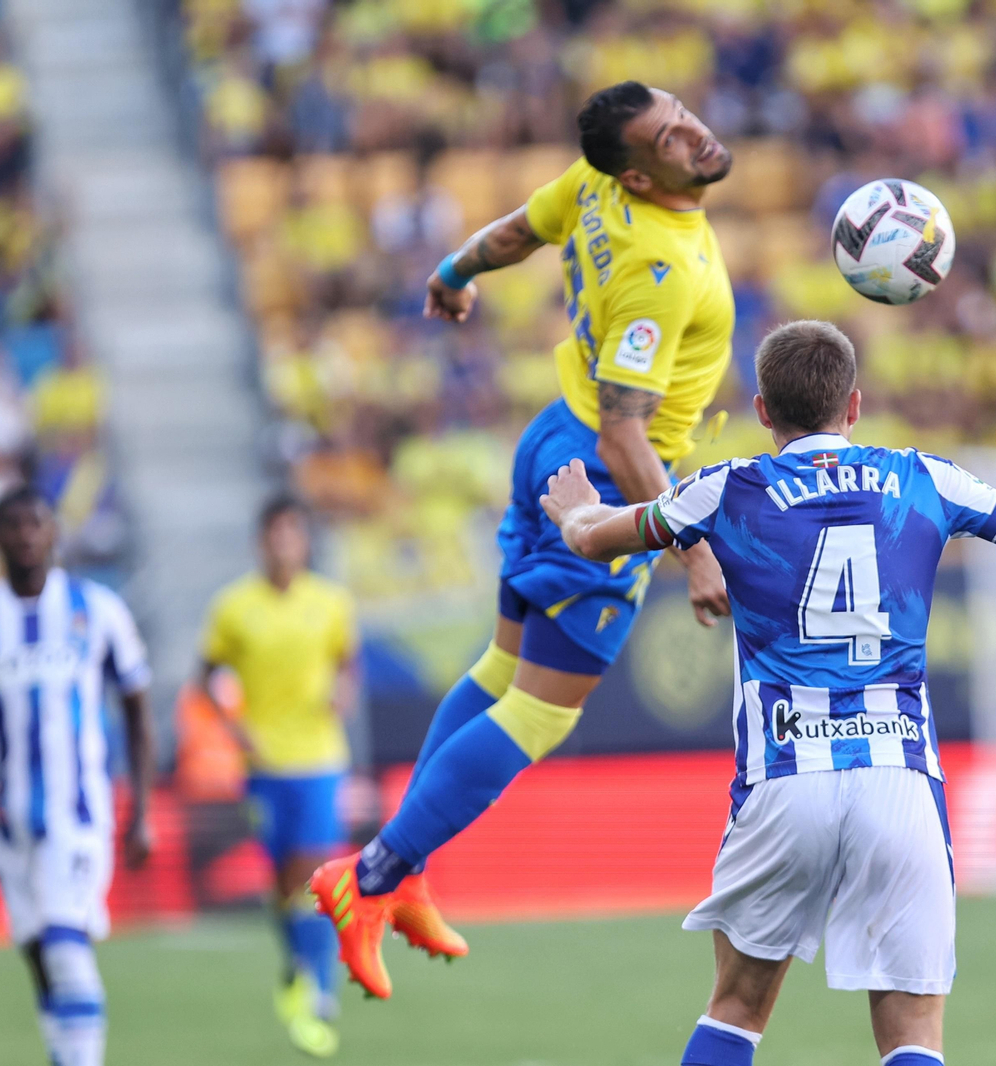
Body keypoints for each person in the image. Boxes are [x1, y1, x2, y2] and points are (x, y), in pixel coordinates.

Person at [538, 320, 996, 1066]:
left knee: (737, 1010)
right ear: (855, 405)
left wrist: (577, 505)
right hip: (897, 777)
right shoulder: (922, 477)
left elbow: (593, 537)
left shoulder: (726, 489)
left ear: (764, 411)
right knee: (912, 1036)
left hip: (785, 777)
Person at [309, 79, 738, 999]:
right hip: (597, 474)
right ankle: (370, 877)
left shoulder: (590, 190)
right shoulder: (661, 267)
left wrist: (455, 271)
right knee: (541, 710)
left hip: (551, 434)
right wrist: (693, 553)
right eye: (671, 137)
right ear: (638, 172)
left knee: (503, 674)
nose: (694, 133)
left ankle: (404, 871)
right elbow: (629, 435)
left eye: (684, 114)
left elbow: (518, 229)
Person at [0, 485, 155, 1066]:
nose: (26, 535)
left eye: (36, 523)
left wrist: (142, 811)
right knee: (39, 956)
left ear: (54, 532)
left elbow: (138, 710)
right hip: (11, 820)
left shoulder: (97, 610)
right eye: (12, 524)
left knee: (64, 943)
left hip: (79, 814)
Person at [198, 494, 365, 1056]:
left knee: (313, 870)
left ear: (305, 541)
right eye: (275, 535)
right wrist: (232, 722)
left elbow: (347, 660)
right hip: (263, 762)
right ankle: (297, 959)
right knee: (280, 880)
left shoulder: (332, 602)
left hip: (319, 756)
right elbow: (208, 674)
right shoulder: (233, 607)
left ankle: (317, 985)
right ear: (260, 542)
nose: (284, 544)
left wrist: (343, 690)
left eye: (293, 534)